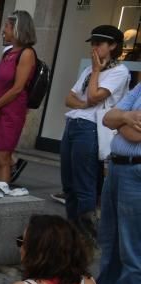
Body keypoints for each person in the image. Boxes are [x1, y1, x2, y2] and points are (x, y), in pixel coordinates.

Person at [61, 25, 130, 236]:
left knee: (84, 185)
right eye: (92, 43)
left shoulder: (119, 71)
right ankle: (71, 232)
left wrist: (97, 71)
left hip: (91, 128)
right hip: (73, 124)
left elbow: (93, 96)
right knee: (69, 184)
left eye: (98, 44)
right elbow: (69, 98)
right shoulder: (89, 69)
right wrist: (83, 105)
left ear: (113, 46)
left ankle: (85, 237)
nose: (93, 48)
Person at [98, 54, 141, 284]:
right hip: (116, 168)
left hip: (136, 174)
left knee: (131, 251)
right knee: (109, 243)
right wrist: (126, 117)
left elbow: (134, 135)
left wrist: (123, 121)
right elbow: (108, 117)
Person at [0, 11, 37, 184]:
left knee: (2, 157)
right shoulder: (7, 53)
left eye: (6, 26)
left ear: (17, 29)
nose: (3, 31)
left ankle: (1, 193)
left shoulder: (27, 54)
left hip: (9, 112)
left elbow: (18, 88)